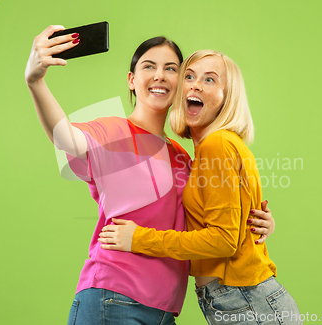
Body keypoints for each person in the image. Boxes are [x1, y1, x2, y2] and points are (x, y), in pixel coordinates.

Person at [25, 27, 275, 325]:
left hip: (164, 311)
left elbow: (212, 224)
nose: (160, 75)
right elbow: (65, 137)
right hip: (112, 297)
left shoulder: (184, 158)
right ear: (132, 80)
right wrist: (35, 80)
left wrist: (257, 223)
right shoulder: (112, 132)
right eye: (148, 66)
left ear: (181, 85)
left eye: (171, 69)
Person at [99, 50, 302, 325]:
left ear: (226, 97)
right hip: (241, 300)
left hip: (246, 301)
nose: (195, 85)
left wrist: (139, 239)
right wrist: (264, 224)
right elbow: (230, 223)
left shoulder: (217, 145)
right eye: (190, 76)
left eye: (209, 80)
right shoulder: (207, 153)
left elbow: (222, 240)